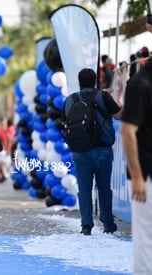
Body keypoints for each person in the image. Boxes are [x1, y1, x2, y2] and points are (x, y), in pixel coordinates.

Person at [61, 68, 122, 236]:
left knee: (84, 189)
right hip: (102, 149)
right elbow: (118, 115)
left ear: (79, 82)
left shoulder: (70, 100)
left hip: (80, 151)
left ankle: (86, 225)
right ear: (95, 81)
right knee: (103, 187)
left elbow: (64, 122)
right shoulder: (103, 96)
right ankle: (108, 225)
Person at [119, 20, 152, 275]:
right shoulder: (141, 84)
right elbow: (127, 131)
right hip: (146, 175)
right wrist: (138, 177)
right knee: (145, 238)